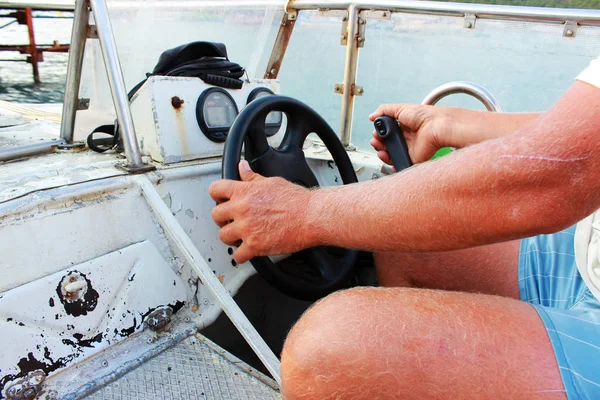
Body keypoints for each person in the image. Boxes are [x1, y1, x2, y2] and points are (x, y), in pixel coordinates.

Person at [209, 56, 600, 399]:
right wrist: (452, 122)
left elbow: (555, 176)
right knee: (397, 230)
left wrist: (304, 212)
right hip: (586, 254)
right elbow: (575, 131)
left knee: (327, 351)